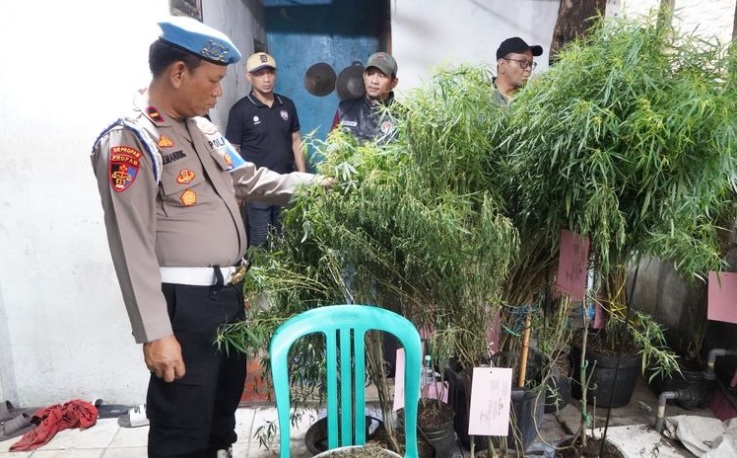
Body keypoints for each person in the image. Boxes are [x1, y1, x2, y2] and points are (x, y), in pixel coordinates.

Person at [90, 16, 331, 458]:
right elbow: (130, 242)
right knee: (183, 423)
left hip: (227, 297)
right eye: (214, 80)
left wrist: (314, 185)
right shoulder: (132, 140)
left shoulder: (202, 129)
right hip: (184, 307)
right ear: (178, 73)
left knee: (220, 413)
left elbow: (247, 178)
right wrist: (155, 332)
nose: (220, 91)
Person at [225, 52, 306, 249]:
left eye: (270, 73)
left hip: (285, 183)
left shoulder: (287, 105)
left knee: (286, 239)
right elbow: (233, 151)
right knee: (260, 241)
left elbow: (296, 140)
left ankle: (286, 277)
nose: (266, 79)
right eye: (260, 74)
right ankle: (258, 277)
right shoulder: (240, 110)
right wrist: (238, 188)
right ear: (249, 77)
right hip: (257, 188)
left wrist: (302, 177)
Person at [330, 51, 400, 143]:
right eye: (370, 74)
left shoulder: (403, 116)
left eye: (381, 76)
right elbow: (331, 150)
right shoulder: (344, 109)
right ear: (364, 76)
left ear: (394, 82)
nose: (374, 81)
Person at [493, 37, 543, 105]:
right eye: (522, 62)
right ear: (502, 65)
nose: (529, 69)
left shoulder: (532, 100)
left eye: (530, 64)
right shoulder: (480, 95)